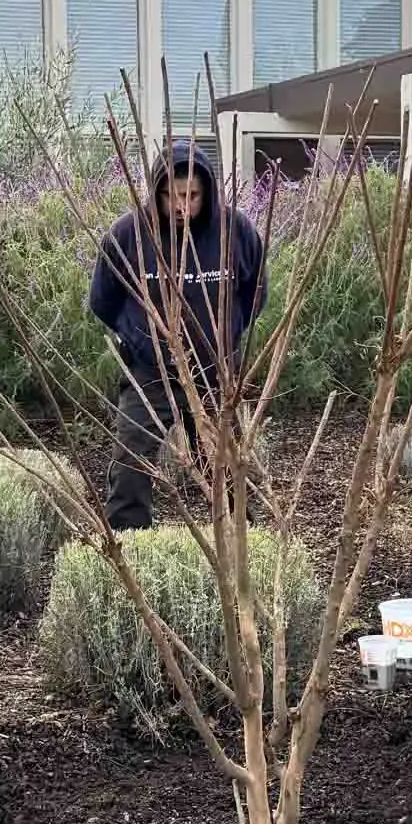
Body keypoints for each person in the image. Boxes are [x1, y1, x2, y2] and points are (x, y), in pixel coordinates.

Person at [89, 139, 266, 533]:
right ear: (157, 193)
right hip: (150, 370)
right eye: (172, 196)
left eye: (193, 196)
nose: (183, 206)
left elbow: (256, 292)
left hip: (213, 371)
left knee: (224, 461)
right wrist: (139, 339)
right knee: (131, 457)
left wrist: (225, 337)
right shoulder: (127, 235)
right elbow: (103, 300)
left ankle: (240, 543)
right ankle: (131, 543)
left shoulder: (234, 231)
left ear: (207, 191)